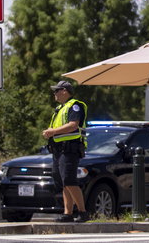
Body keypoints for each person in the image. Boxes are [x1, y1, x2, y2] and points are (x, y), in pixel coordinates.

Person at [42, 80, 89, 223]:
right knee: (63, 182)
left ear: (64, 91)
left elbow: (73, 126)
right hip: (58, 149)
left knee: (69, 180)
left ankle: (82, 212)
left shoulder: (75, 106)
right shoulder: (60, 108)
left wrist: (52, 131)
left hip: (70, 148)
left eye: (56, 91)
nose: (54, 94)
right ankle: (67, 213)